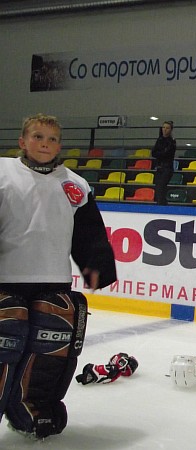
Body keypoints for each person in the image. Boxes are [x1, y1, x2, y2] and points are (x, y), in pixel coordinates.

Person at [0, 113, 117, 439]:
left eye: (52, 139)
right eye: (37, 137)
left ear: (59, 146)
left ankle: (31, 413)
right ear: (22, 141)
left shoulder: (75, 184)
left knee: (45, 358)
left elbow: (89, 233)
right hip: (5, 278)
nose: (45, 144)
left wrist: (97, 265)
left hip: (53, 280)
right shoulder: (2, 172)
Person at [152, 120, 176, 205]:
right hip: (159, 167)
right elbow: (153, 153)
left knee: (162, 188)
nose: (165, 129)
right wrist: (160, 153)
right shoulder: (159, 140)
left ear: (171, 130)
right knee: (158, 189)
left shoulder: (171, 141)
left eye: (167, 128)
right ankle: (160, 204)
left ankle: (162, 205)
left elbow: (166, 154)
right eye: (163, 127)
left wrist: (160, 153)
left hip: (167, 168)